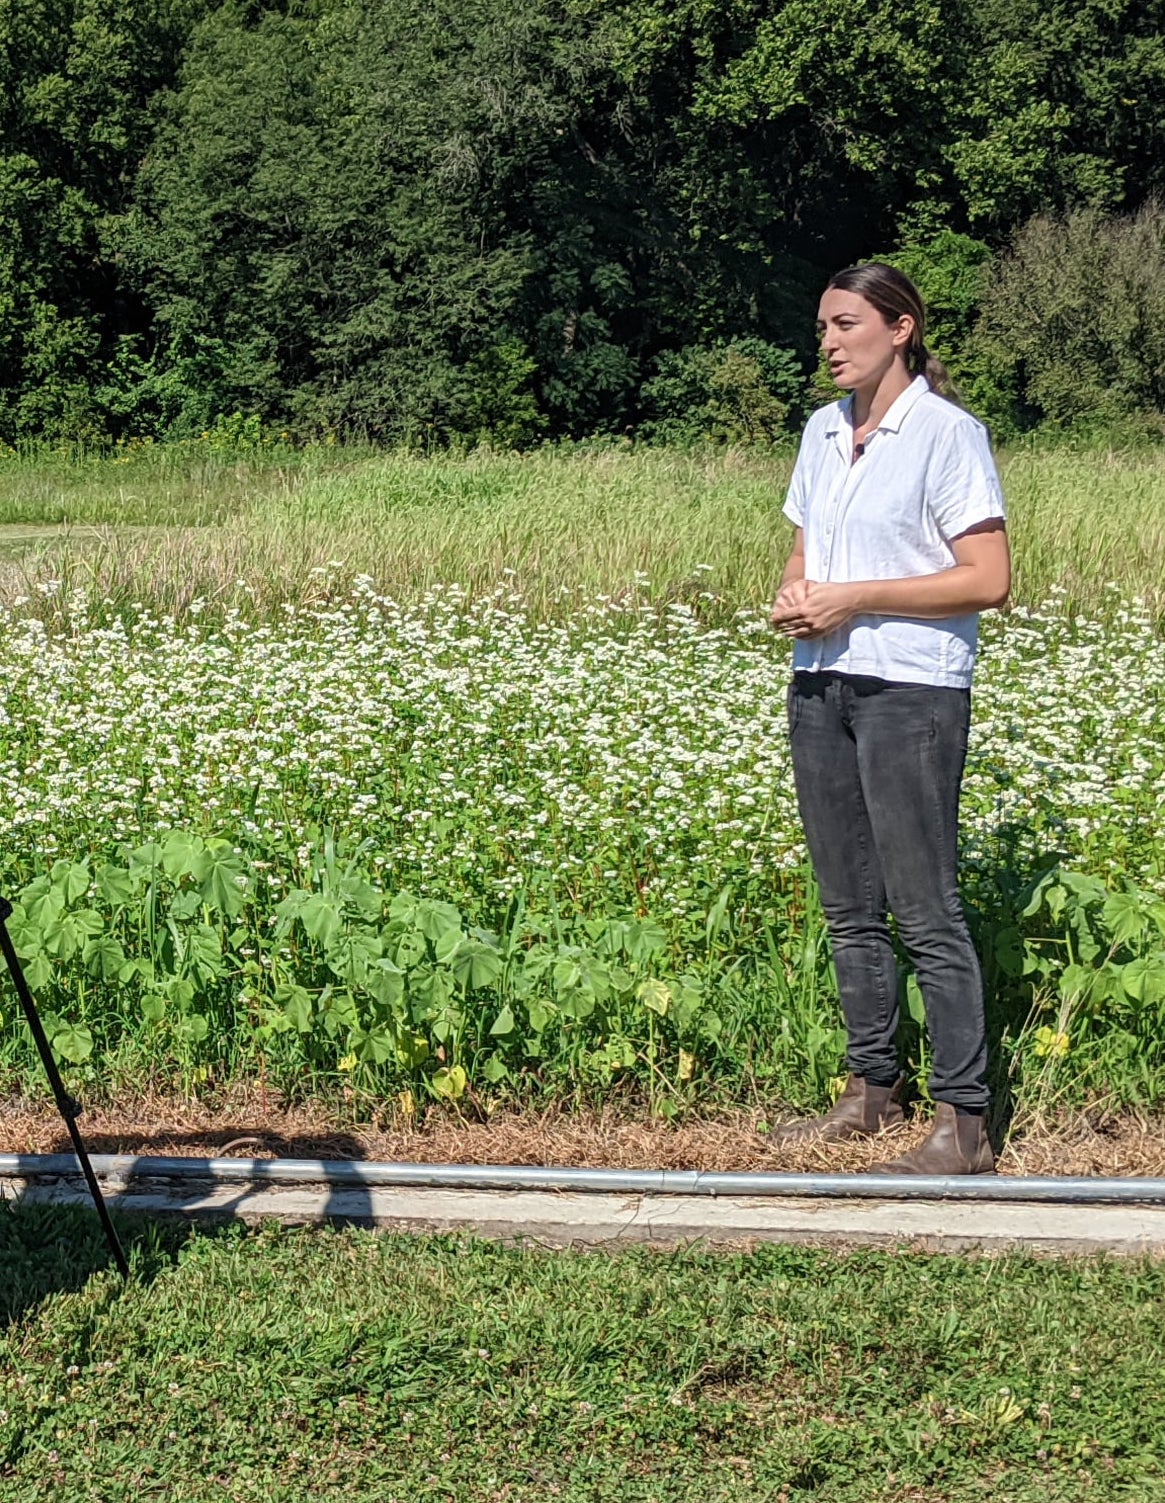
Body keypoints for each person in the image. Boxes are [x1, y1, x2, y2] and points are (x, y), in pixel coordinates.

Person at [769, 262, 1010, 1175]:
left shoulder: (946, 434)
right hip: (820, 682)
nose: (827, 342)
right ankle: (870, 1090)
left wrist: (856, 597)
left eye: (845, 324)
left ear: (899, 328)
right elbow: (803, 557)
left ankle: (963, 1121)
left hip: (911, 690)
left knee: (925, 906)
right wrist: (796, 600)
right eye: (822, 327)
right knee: (847, 906)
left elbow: (985, 579)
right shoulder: (820, 432)